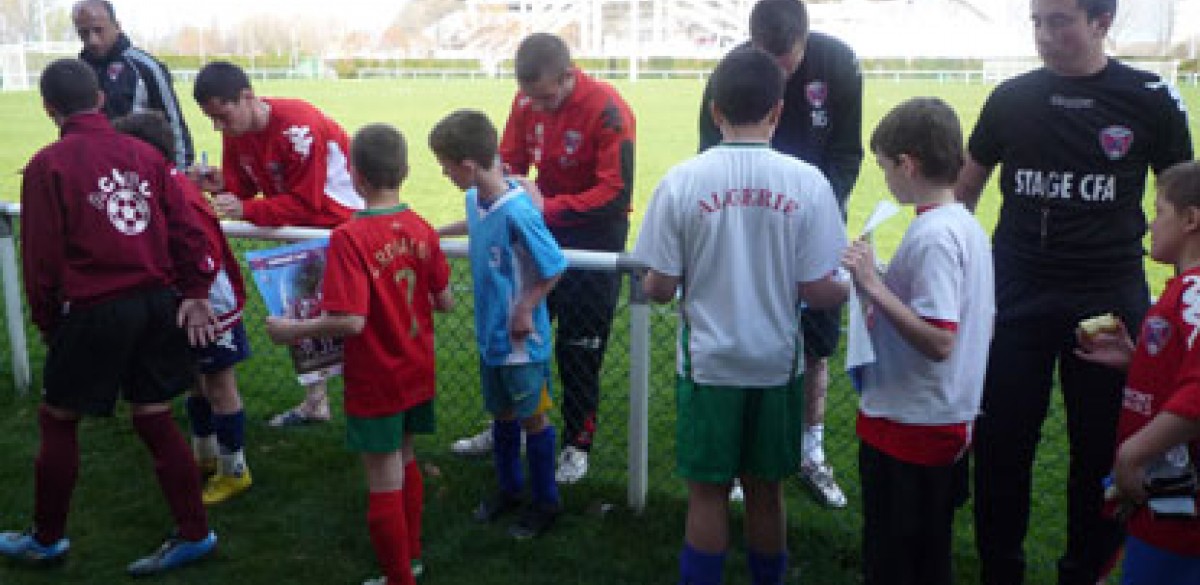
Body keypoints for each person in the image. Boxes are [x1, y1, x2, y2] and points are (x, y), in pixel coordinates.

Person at [953, 1, 1194, 583]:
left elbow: (1186, 201)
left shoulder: (1150, 98)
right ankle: (999, 571)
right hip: (1017, 292)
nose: (1043, 34)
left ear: (1100, 21)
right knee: (1002, 445)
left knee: (1102, 451)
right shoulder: (1010, 98)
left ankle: (1082, 572)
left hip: (1107, 296)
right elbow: (963, 193)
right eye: (1036, 20)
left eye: (1059, 20)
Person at [634, 48, 848, 585]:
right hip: (776, 363)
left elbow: (658, 287)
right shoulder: (808, 183)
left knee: (706, 494)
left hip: (709, 364)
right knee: (766, 491)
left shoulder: (681, 180)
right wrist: (856, 283)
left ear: (714, 112)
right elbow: (818, 290)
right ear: (778, 111)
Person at [0, 58, 217, 575]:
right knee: (155, 415)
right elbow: (187, 228)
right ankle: (195, 532)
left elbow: (41, 259)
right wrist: (195, 288)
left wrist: (50, 322)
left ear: (48, 108)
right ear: (100, 98)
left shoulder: (48, 166)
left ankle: (46, 539)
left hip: (96, 309)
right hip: (157, 304)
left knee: (58, 419)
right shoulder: (145, 155)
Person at [266, 123, 453, 585]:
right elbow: (444, 300)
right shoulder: (422, 227)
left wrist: (293, 329)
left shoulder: (349, 238)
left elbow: (350, 321)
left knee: (383, 476)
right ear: (405, 171)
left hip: (378, 376)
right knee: (405, 458)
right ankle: (411, 560)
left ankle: (399, 578)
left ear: (355, 177)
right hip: (416, 366)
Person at [450, 33, 637, 486]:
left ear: (570, 77)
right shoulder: (526, 102)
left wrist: (545, 206)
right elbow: (509, 161)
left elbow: (615, 193)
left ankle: (577, 443)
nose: (541, 107)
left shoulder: (610, 112)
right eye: (533, 99)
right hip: (537, 233)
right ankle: (508, 428)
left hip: (593, 241)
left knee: (579, 348)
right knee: (519, 340)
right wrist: (513, 196)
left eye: (548, 97)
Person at [698, 0, 863, 508]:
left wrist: (813, 213)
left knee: (816, 339)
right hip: (746, 224)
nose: (776, 72)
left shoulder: (838, 65)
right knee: (740, 328)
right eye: (765, 57)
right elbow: (710, 152)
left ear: (805, 40)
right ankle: (734, 458)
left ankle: (810, 449)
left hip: (813, 222)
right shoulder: (732, 71)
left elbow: (846, 152)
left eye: (785, 61)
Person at [841, 97, 994, 585]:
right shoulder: (965, 225)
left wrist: (873, 285)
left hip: (912, 424)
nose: (885, 179)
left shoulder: (933, 236)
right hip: (941, 416)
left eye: (885, 167)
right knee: (927, 553)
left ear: (907, 164)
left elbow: (939, 339)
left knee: (895, 559)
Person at [192, 60, 365, 428]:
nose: (218, 127)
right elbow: (242, 189)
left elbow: (307, 202)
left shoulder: (298, 127)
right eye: (212, 119)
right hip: (302, 225)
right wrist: (217, 186)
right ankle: (317, 402)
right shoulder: (236, 131)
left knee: (349, 319)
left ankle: (368, 405)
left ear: (247, 97)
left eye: (222, 116)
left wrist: (245, 208)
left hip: (343, 227)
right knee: (299, 310)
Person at [430, 109, 567, 539]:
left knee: (533, 420)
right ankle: (509, 490)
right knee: (501, 415)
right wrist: (432, 234)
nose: (444, 172)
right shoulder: (475, 199)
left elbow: (555, 264)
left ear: (467, 165)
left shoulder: (519, 213)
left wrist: (526, 307)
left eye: (445, 164)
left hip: (522, 342)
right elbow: (474, 224)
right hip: (491, 334)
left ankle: (546, 502)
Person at [112, 111, 254, 506]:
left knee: (221, 385)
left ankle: (234, 469)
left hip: (210, 302)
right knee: (195, 377)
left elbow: (201, 250)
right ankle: (205, 454)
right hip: (188, 300)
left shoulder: (178, 193)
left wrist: (200, 297)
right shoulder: (165, 182)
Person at [1076, 161, 1200, 584]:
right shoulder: (1184, 291)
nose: (1150, 224)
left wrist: (1134, 454)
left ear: (1190, 220)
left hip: (1178, 514)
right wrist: (1141, 364)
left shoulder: (1195, 293)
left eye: (1159, 211)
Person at [72, 0, 194, 169]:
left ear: (117, 26)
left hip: (142, 169)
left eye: (99, 30)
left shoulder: (145, 66)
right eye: (84, 33)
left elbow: (174, 121)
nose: (93, 40)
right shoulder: (78, 72)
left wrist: (182, 173)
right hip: (96, 171)